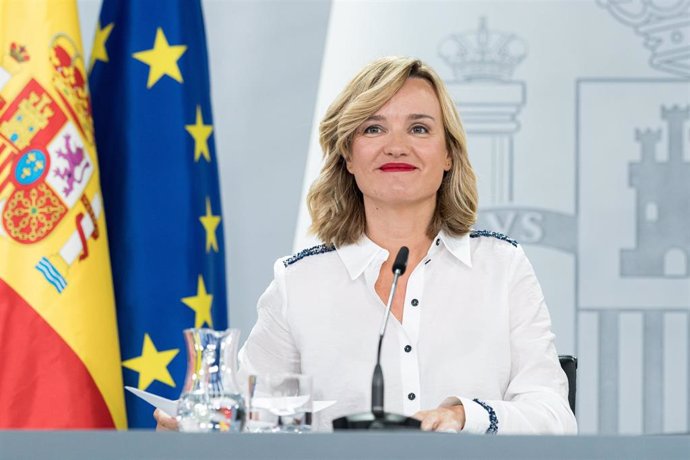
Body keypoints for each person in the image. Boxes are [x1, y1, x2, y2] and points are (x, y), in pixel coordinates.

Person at [156, 56, 577, 434]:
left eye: (419, 128)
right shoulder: (298, 283)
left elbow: (555, 416)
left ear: (448, 153)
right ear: (348, 157)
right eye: (373, 128)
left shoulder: (502, 266)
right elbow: (247, 422)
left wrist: (463, 416)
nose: (397, 145)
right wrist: (191, 437)